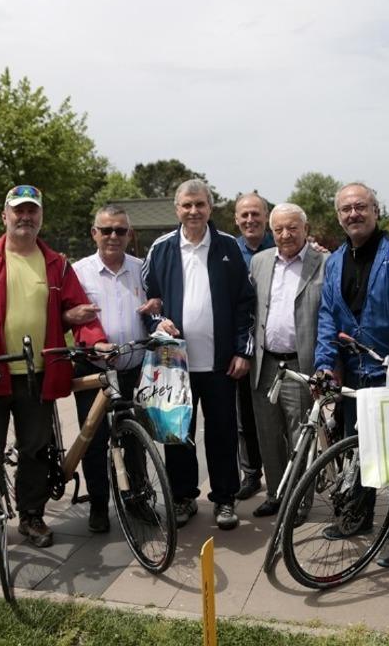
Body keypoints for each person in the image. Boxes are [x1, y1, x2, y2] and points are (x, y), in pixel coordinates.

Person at [0, 184, 108, 556]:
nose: (25, 217)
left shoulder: (56, 264)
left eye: (32, 210)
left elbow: (79, 311)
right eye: (18, 210)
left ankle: (31, 515)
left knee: (36, 450)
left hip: (38, 375)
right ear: (4, 216)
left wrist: (95, 340)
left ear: (41, 217)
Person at [313, 182, 389, 568]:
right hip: (355, 374)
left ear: (376, 211)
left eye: (361, 207)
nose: (353, 214)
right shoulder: (335, 261)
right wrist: (324, 362)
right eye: (346, 209)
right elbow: (328, 316)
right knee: (356, 451)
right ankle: (358, 515)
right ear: (339, 217)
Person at [141, 179, 255, 530]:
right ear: (177, 209)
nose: (194, 211)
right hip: (175, 365)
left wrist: (243, 350)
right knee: (177, 434)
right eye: (187, 205)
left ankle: (224, 498)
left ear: (210, 207)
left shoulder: (227, 247)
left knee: (222, 433)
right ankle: (183, 496)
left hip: (220, 363)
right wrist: (159, 323)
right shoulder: (161, 248)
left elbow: (245, 303)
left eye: (200, 204)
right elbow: (148, 302)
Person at [73, 205, 160, 533]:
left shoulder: (142, 268)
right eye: (106, 230)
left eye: (120, 230)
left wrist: (158, 307)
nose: (113, 236)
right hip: (93, 369)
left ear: (129, 234)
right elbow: (68, 314)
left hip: (133, 368)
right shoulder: (79, 271)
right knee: (93, 439)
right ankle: (98, 504)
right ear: (94, 233)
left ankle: (137, 499)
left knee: (136, 438)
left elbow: (156, 307)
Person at [248, 203, 327, 517]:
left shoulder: (324, 262)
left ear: (305, 229)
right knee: (268, 434)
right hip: (265, 364)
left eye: (293, 227)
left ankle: (300, 500)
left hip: (299, 364)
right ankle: (275, 494)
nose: (285, 234)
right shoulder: (259, 261)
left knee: (299, 435)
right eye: (278, 229)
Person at [233, 193, 275, 501]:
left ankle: (284, 475)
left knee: (278, 417)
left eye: (256, 214)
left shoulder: (281, 244)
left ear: (266, 216)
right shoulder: (228, 251)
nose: (250, 220)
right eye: (244, 214)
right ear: (236, 219)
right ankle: (250, 474)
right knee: (244, 416)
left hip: (274, 346)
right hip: (240, 345)